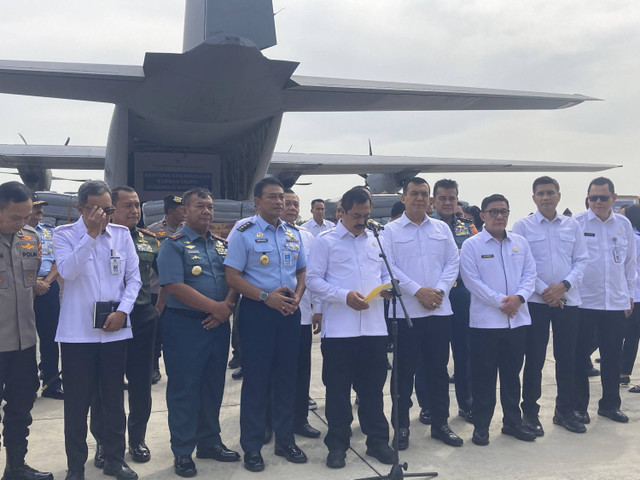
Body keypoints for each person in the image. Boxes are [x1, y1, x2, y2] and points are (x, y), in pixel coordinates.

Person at [54, 180, 141, 480]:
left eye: (109, 208)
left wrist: (123, 311)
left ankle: (115, 460)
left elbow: (134, 279)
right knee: (77, 406)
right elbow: (67, 272)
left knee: (114, 401)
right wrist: (90, 235)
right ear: (81, 209)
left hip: (115, 331)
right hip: (78, 336)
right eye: (98, 209)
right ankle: (75, 468)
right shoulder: (64, 235)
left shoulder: (122, 235)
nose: (106, 215)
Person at [306, 186, 395, 469]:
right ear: (342, 212)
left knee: (372, 390)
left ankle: (378, 441)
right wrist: (343, 296)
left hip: (373, 329)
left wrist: (389, 289)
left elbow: (386, 274)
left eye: (366, 215)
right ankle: (338, 445)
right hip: (340, 331)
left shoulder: (377, 240)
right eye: (357, 215)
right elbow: (313, 280)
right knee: (338, 392)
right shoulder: (326, 241)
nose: (362, 220)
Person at [225, 177, 307, 473]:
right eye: (272, 197)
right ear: (257, 202)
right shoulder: (244, 233)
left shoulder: (292, 234)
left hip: (288, 311)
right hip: (258, 311)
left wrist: (297, 295)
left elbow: (302, 269)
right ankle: (252, 446)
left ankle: (285, 441)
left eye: (282, 198)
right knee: (257, 381)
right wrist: (264, 297)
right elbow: (232, 276)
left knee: (287, 378)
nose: (280, 202)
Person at [157, 188, 239, 477]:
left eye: (210, 206)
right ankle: (182, 451)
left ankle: (209, 442)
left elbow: (234, 279)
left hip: (218, 326)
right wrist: (216, 308)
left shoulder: (220, 245)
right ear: (186, 211)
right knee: (184, 389)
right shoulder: (174, 244)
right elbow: (172, 285)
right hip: (184, 326)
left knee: (213, 386)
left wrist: (225, 307)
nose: (206, 211)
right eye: (200, 206)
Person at [382, 178, 462, 450]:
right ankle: (401, 427)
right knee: (403, 375)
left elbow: (453, 262)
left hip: (439, 312)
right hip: (406, 314)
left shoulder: (441, 229)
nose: (419, 198)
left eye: (424, 194)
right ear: (403, 198)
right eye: (414, 193)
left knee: (438, 372)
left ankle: (441, 424)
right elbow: (388, 269)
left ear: (430, 200)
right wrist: (418, 291)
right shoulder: (390, 231)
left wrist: (438, 291)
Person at [512, 176, 589, 435]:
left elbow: (581, 259)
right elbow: (522, 265)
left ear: (559, 195)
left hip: (568, 300)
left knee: (567, 358)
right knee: (533, 360)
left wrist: (563, 286)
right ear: (534, 198)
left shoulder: (572, 225)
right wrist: (546, 290)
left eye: (550, 192)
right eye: (541, 193)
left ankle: (564, 411)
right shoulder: (522, 226)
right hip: (536, 302)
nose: (546, 197)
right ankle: (530, 414)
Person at [90, 186, 161, 466]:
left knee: (141, 383)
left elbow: (164, 278)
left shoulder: (150, 240)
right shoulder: (97, 237)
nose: (134, 211)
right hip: (107, 319)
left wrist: (157, 310)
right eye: (128, 206)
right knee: (104, 385)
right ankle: (104, 444)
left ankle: (137, 440)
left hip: (141, 317)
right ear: (112, 209)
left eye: (137, 206)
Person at [460, 194, 537, 446]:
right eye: (493, 212)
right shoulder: (473, 245)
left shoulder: (521, 243)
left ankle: (513, 423)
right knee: (484, 377)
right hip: (485, 324)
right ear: (482, 216)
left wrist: (519, 298)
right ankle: (481, 426)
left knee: (512, 376)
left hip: (517, 321)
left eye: (504, 211)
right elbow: (471, 281)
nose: (500, 216)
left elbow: (530, 274)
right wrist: (502, 302)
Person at [0, 181, 53, 480]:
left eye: (27, 216)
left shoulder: (31, 238)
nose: (23, 223)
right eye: (15, 218)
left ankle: (16, 467)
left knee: (21, 409)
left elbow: (30, 284)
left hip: (23, 344)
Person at [573, 177, 637, 424]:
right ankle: (579, 407)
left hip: (615, 302)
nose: (597, 202)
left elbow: (630, 263)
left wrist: (629, 295)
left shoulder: (624, 224)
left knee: (612, 356)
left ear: (613, 197)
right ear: (587, 198)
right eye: (593, 197)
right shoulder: (576, 223)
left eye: (603, 197)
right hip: (584, 303)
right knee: (580, 356)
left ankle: (610, 405)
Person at [430, 179, 478, 422]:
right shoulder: (427, 227)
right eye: (443, 198)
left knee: (464, 351)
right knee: (430, 353)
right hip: (434, 296)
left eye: (452, 198)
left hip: (461, 296)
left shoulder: (468, 228)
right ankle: (428, 405)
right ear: (434, 201)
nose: (448, 203)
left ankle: (466, 402)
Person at [279, 189, 323, 439]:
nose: (292, 208)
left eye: (296, 204)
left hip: (303, 314)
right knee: (275, 371)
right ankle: (270, 421)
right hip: (275, 313)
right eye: (287, 203)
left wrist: (318, 308)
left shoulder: (306, 236)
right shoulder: (258, 231)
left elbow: (314, 276)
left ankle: (299, 419)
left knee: (301, 370)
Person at [146, 194, 186, 384]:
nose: (185, 212)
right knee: (155, 332)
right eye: (181, 209)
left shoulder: (187, 231)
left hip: (180, 291)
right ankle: (153, 367)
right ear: (170, 211)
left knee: (177, 332)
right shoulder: (154, 231)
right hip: (155, 289)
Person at [27, 193, 63, 400]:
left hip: (47, 287)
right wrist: (32, 285)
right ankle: (26, 383)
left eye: (41, 208)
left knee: (50, 336)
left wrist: (46, 283)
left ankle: (51, 382)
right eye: (35, 207)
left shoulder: (50, 233)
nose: (40, 212)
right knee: (23, 338)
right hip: (23, 289)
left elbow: (60, 260)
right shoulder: (14, 233)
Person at [620, 205, 640, 391]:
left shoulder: (631, 239)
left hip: (633, 295)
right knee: (632, 336)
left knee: (626, 334)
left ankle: (623, 373)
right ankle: (624, 373)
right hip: (635, 294)